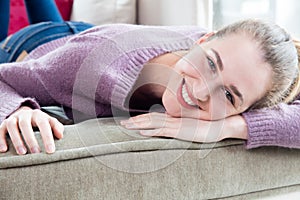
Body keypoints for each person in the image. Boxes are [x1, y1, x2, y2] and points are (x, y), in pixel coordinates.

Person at [0, 1, 299, 155]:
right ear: (202, 40)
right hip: (35, 46)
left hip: (97, 35)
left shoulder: (249, 74)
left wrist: (228, 128)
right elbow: (5, 80)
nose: (201, 91)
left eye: (229, 96)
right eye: (210, 64)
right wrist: (19, 108)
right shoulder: (96, 63)